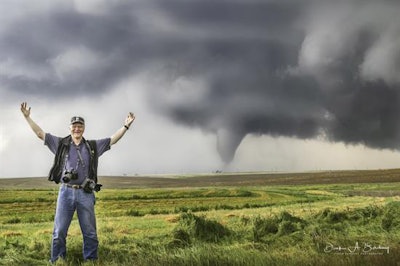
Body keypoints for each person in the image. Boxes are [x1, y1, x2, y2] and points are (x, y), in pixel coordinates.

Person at [20, 102, 135, 263]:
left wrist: (126, 126)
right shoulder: (60, 144)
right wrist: (27, 117)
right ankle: (58, 260)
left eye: (80, 126)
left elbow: (112, 140)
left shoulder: (92, 146)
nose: (77, 129)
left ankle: (91, 261)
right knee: (59, 231)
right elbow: (40, 133)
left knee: (90, 232)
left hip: (85, 193)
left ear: (84, 128)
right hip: (65, 192)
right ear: (70, 128)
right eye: (74, 126)